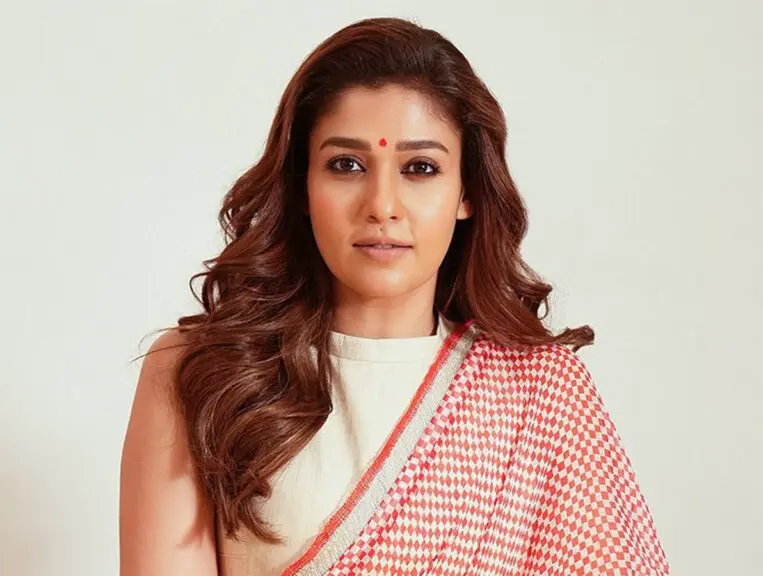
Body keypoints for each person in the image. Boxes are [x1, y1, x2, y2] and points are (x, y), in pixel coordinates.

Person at [119, 16, 670, 576]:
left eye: (420, 168)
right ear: (302, 185)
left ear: (467, 192)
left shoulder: (538, 394)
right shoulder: (203, 375)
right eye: (347, 165)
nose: (382, 205)